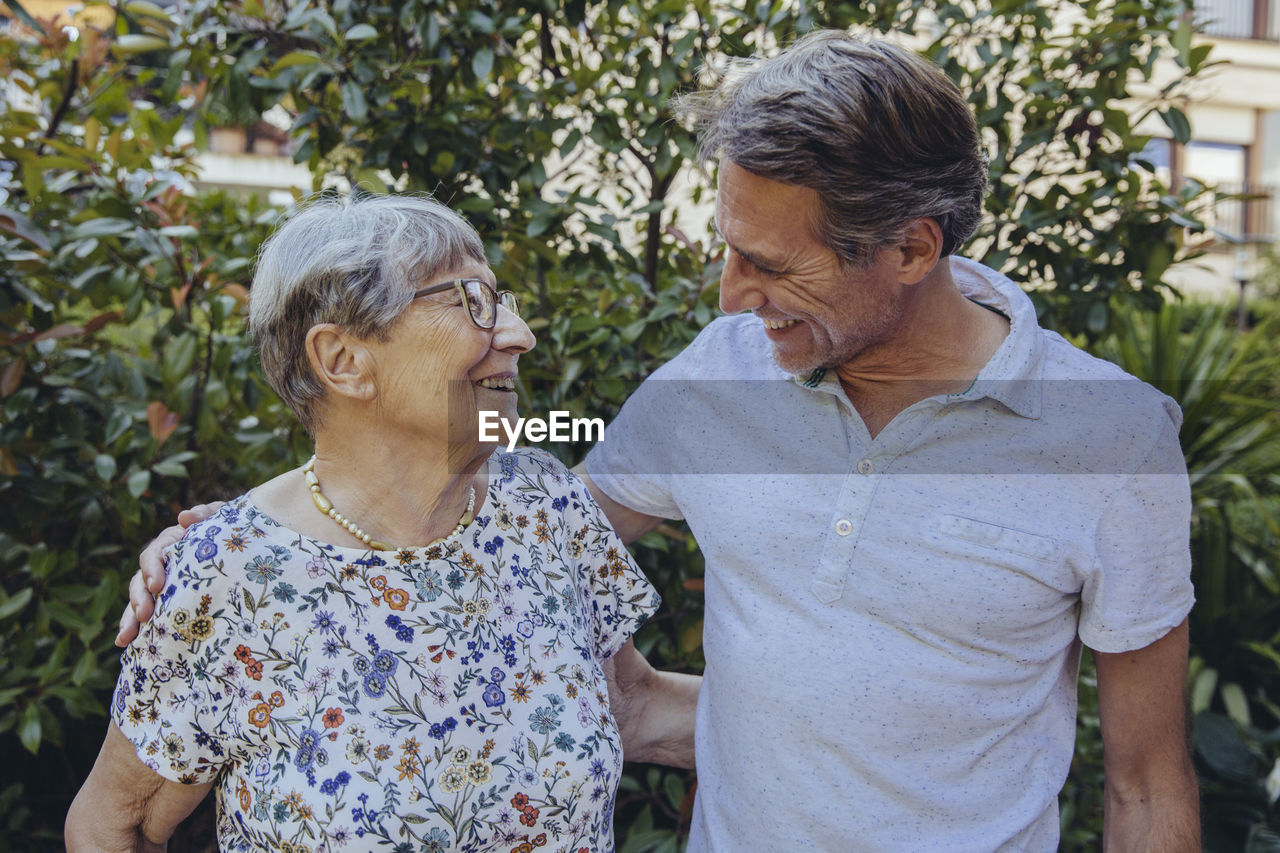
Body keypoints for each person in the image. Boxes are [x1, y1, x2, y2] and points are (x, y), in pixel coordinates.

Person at [118, 31, 1199, 852]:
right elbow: (513, 504)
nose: (732, 298)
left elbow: (1146, 787)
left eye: (771, 267)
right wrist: (265, 531)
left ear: (910, 248)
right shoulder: (717, 378)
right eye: (729, 250)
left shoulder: (1110, 440)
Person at [69, 194, 697, 853]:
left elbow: (632, 702)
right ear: (342, 359)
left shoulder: (544, 505)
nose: (518, 333)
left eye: (503, 300)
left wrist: (816, 716)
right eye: (472, 303)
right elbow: (118, 822)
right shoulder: (231, 577)